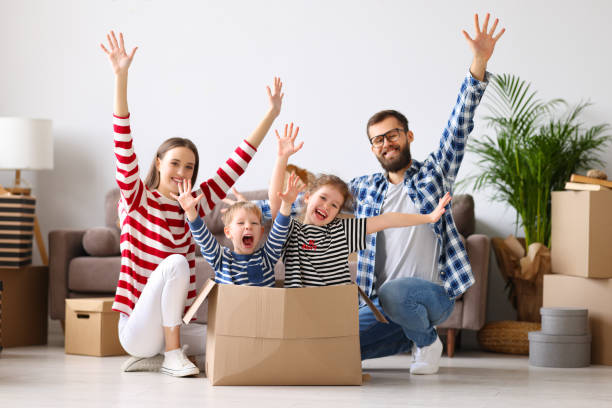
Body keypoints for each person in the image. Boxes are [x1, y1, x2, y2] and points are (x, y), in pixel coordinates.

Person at [100, 31, 284, 377]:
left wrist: (271, 115)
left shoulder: (194, 204)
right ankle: (168, 355)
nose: (182, 172)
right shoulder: (138, 197)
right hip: (137, 329)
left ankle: (167, 353)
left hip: (176, 326)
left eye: (189, 166)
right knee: (175, 263)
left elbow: (236, 163)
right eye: (174, 163)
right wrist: (120, 76)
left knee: (229, 334)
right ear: (158, 164)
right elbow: (122, 140)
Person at [354, 13, 505, 375]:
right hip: (378, 303)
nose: (386, 143)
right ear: (373, 148)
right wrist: (258, 208)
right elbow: (315, 200)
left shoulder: (434, 174)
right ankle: (408, 336)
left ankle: (425, 340)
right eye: (378, 139)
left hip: (433, 297)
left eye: (393, 134)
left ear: (408, 136)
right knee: (337, 346)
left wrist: (479, 63)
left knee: (395, 292)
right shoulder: (363, 189)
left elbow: (459, 125)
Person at [267, 124, 451, 287]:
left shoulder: (342, 230)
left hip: (335, 310)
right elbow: (276, 204)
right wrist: (282, 157)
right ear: (307, 197)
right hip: (299, 309)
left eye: (334, 205)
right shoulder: (291, 230)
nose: (326, 206)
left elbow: (387, 219)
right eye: (322, 198)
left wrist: (429, 217)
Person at [173, 173, 303, 287]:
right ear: (228, 232)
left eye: (254, 223)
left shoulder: (267, 257)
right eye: (241, 223)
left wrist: (286, 205)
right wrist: (191, 211)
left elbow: (279, 232)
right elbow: (203, 237)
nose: (248, 226)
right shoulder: (220, 258)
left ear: (261, 232)